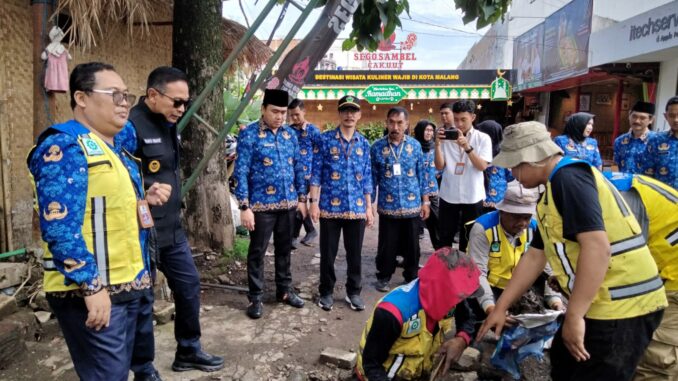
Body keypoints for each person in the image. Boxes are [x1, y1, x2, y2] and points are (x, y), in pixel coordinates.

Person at [478, 121, 667, 381]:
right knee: (563, 362)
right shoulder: (551, 190)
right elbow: (535, 256)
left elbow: (597, 247)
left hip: (623, 307)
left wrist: (575, 316)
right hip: (601, 302)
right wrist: (501, 306)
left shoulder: (569, 179)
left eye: (513, 165)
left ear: (530, 159)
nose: (512, 173)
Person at [28, 62, 171, 380]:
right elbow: (60, 226)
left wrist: (144, 198)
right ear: (81, 98)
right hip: (92, 291)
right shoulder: (64, 146)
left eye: (126, 95)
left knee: (130, 367)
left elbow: (107, 208)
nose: (124, 102)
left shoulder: (114, 148)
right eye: (114, 94)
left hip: (130, 282)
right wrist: (91, 287)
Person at [129, 67, 224, 374]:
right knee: (143, 299)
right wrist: (143, 191)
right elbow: (116, 178)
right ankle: (143, 368)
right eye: (177, 102)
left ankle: (188, 350)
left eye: (186, 103)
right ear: (153, 95)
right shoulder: (131, 127)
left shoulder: (169, 122)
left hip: (171, 227)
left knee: (188, 285)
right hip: (142, 230)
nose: (182, 109)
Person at [233, 89, 307, 319]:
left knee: (285, 250)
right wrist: (244, 207)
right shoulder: (250, 135)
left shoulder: (289, 135)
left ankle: (284, 291)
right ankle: (255, 297)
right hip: (261, 207)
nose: (279, 117)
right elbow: (241, 171)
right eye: (275, 111)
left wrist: (302, 199)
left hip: (287, 205)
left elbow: (298, 168)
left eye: (283, 113)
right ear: (263, 109)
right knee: (257, 252)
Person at [355, 247, 481, 381]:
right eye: (461, 297)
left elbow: (468, 318)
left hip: (417, 372)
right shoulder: (392, 313)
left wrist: (461, 339)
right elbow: (371, 365)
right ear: (442, 291)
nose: (462, 301)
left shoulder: (453, 298)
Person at [605, 173, 678, 380]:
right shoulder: (607, 185)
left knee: (657, 359)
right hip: (661, 267)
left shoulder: (619, 199)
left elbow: (620, 263)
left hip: (673, 278)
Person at [309, 95, 374, 312]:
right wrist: (314, 203)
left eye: (353, 111)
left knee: (354, 254)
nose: (349, 115)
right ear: (339, 113)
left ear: (359, 115)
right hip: (329, 207)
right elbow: (316, 173)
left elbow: (367, 178)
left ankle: (353, 292)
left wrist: (368, 208)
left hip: (356, 209)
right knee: (328, 253)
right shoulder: (325, 140)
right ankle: (326, 292)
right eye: (345, 110)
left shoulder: (364, 143)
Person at [467, 181, 563, 315]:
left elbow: (546, 268)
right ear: (502, 212)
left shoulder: (534, 228)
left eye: (527, 217)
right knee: (472, 302)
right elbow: (478, 273)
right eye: (516, 217)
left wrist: (555, 301)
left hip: (520, 287)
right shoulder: (483, 229)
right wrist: (491, 308)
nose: (522, 223)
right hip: (491, 287)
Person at [370, 108, 435, 292]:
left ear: (407, 125)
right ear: (386, 123)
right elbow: (372, 178)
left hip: (412, 205)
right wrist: (369, 206)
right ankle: (383, 276)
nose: (395, 127)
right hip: (387, 206)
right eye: (392, 122)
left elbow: (422, 176)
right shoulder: (377, 147)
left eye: (400, 123)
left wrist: (426, 202)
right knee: (386, 245)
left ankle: (411, 275)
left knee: (412, 245)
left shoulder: (415, 146)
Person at [434, 100, 492, 252]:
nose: (459, 124)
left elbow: (482, 166)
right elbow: (440, 166)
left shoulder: (483, 138)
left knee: (470, 239)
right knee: (445, 238)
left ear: (472, 117)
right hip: (449, 194)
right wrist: (438, 145)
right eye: (456, 119)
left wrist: (467, 147)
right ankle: (445, 272)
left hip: (473, 196)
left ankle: (466, 273)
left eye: (463, 119)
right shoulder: (446, 137)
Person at [287, 98, 321, 247]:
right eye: (292, 115)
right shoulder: (288, 131)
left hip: (309, 176)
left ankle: (293, 237)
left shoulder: (313, 130)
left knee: (299, 204)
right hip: (293, 174)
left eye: (297, 114)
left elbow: (319, 154)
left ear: (304, 112)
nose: (294, 118)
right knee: (299, 204)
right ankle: (309, 231)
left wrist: (316, 175)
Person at [414, 120, 442, 249]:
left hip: (432, 190)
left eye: (431, 130)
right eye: (426, 130)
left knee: (436, 223)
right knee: (414, 225)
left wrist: (438, 173)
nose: (429, 133)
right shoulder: (413, 147)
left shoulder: (435, 147)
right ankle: (410, 255)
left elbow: (441, 165)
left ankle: (439, 251)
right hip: (415, 192)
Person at [476, 120, 513, 212]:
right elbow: (510, 176)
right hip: (498, 197)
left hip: (479, 197)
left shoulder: (477, 151)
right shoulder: (505, 153)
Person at [614, 101, 656, 174]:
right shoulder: (620, 141)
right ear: (629, 116)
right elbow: (615, 165)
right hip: (624, 184)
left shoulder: (657, 141)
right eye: (634, 116)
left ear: (651, 120)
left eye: (642, 118)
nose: (637, 121)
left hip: (646, 184)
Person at [645, 96, 678, 189]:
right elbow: (647, 172)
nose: (676, 120)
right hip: (661, 197)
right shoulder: (656, 140)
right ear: (666, 116)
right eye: (672, 115)